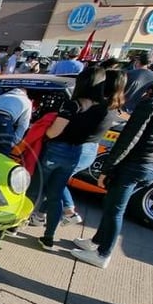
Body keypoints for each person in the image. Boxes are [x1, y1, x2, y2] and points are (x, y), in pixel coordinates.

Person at [71, 73, 153, 268]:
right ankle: (96, 242)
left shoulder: (151, 104)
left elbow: (129, 139)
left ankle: (103, 254)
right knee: (112, 204)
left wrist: (108, 167)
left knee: (115, 209)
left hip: (136, 165)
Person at [29, 66, 118, 251]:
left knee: (35, 189)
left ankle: (14, 225)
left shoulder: (73, 104)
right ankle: (48, 237)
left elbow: (54, 132)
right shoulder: (102, 109)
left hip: (56, 150)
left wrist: (44, 130)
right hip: (75, 154)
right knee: (55, 195)